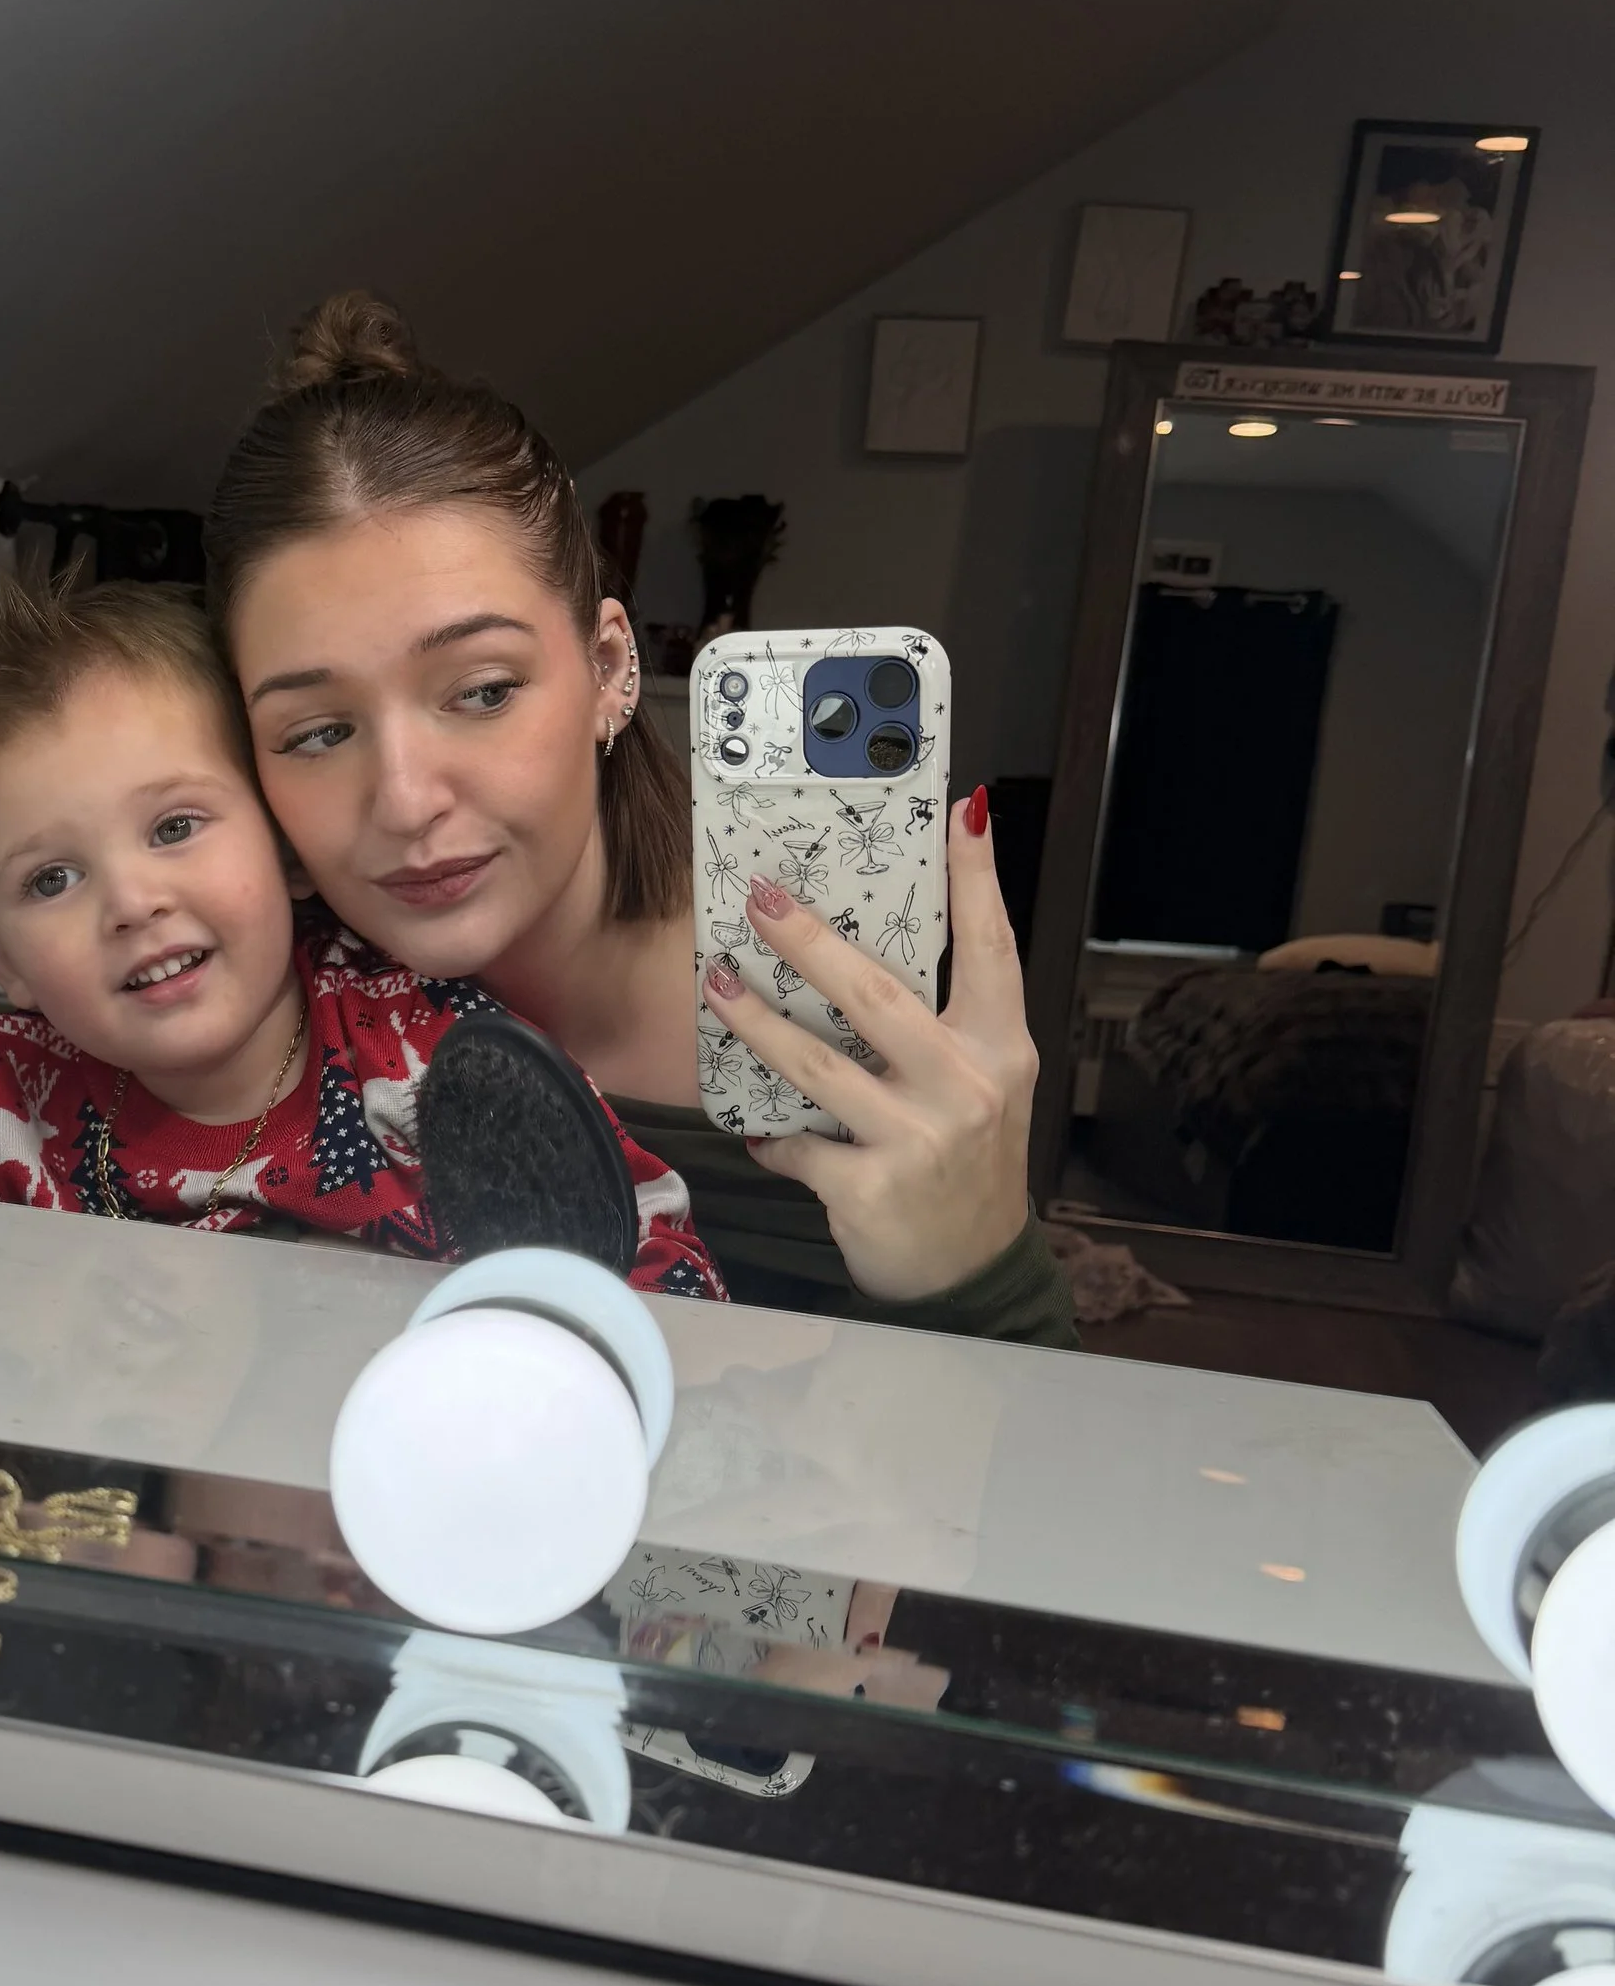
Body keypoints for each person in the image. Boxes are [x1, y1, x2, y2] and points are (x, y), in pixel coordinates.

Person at [203, 292, 1073, 1343]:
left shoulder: (840, 1009)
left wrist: (979, 1273)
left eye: (481, 691)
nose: (404, 800)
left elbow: (989, 1485)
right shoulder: (246, 1025)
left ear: (609, 668)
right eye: (315, 733)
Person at [0, 569, 722, 1297]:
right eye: (52, 877)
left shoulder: (434, 1051)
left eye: (174, 828)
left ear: (284, 849)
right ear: (0, 958)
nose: (132, 901)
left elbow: (659, 1273)